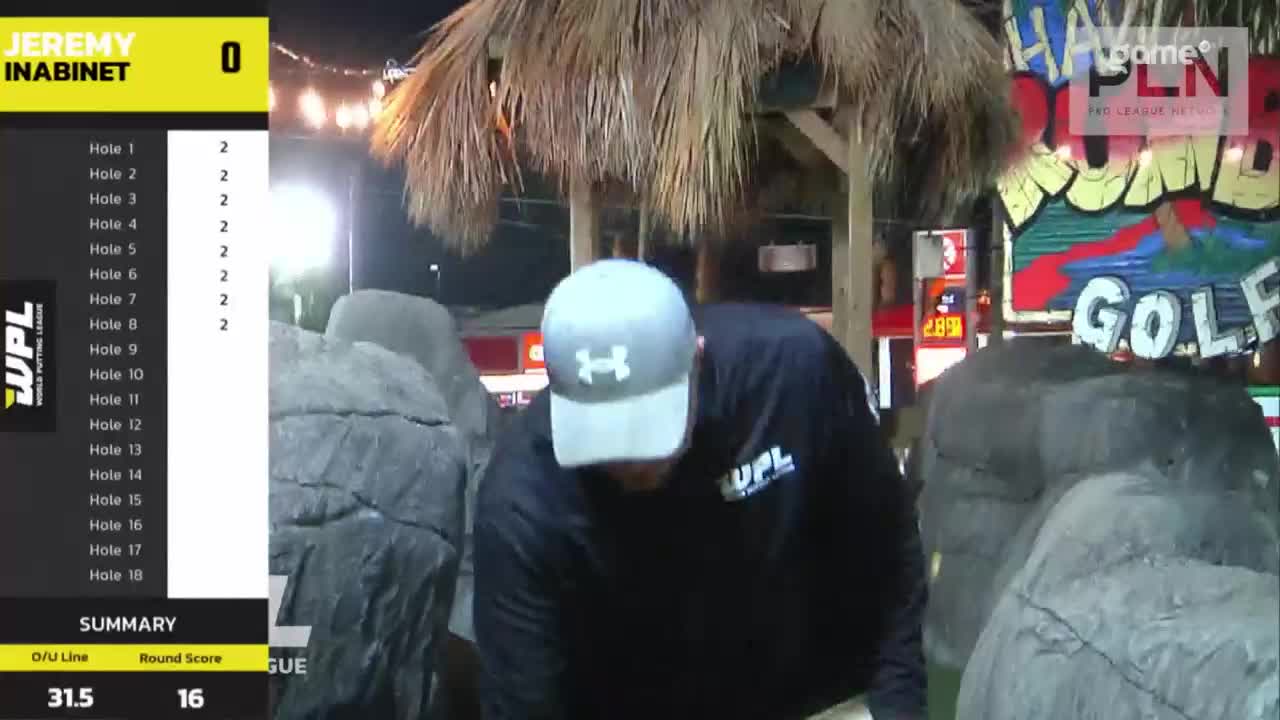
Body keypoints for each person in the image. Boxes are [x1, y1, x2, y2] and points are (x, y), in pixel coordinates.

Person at [473, 259, 927, 720]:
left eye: (647, 426)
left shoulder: (793, 375)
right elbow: (526, 701)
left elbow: (888, 556)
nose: (630, 460)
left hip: (809, 687)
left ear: (697, 359)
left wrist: (896, 708)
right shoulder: (521, 507)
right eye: (604, 435)